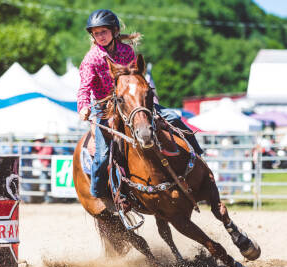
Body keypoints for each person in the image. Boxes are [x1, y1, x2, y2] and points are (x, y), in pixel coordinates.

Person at [77, 9, 202, 199]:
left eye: (104, 31)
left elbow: (137, 78)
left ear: (114, 31)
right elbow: (84, 88)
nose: (100, 36)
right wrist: (84, 106)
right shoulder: (91, 59)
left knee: (173, 118)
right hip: (105, 109)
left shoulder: (126, 51)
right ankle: (98, 193)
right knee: (103, 154)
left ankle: (198, 157)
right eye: (96, 33)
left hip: (133, 102)